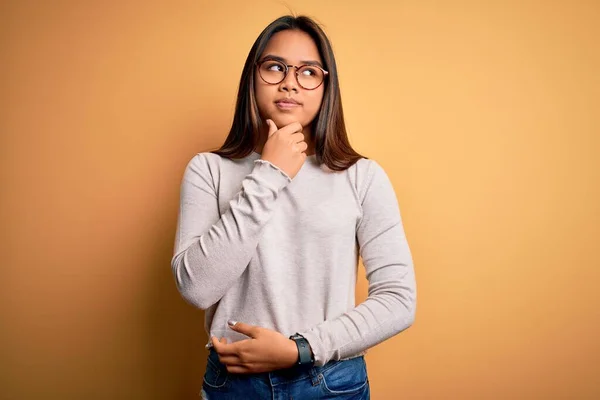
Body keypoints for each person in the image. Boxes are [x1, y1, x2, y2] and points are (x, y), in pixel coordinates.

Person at [171, 14, 417, 400]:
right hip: (234, 386)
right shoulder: (209, 170)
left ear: (325, 86)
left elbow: (398, 299)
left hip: (332, 382)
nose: (289, 81)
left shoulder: (361, 176)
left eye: (308, 72)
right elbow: (197, 288)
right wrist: (269, 173)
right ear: (252, 77)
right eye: (275, 67)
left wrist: (300, 349)